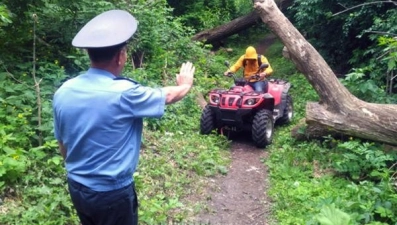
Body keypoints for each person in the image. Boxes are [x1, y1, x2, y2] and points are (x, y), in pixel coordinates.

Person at [52, 9, 195, 225]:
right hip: (111, 195)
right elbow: (167, 96)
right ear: (120, 56)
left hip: (77, 187)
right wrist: (185, 85)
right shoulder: (124, 93)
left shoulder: (64, 90)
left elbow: (63, 144)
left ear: (90, 54)